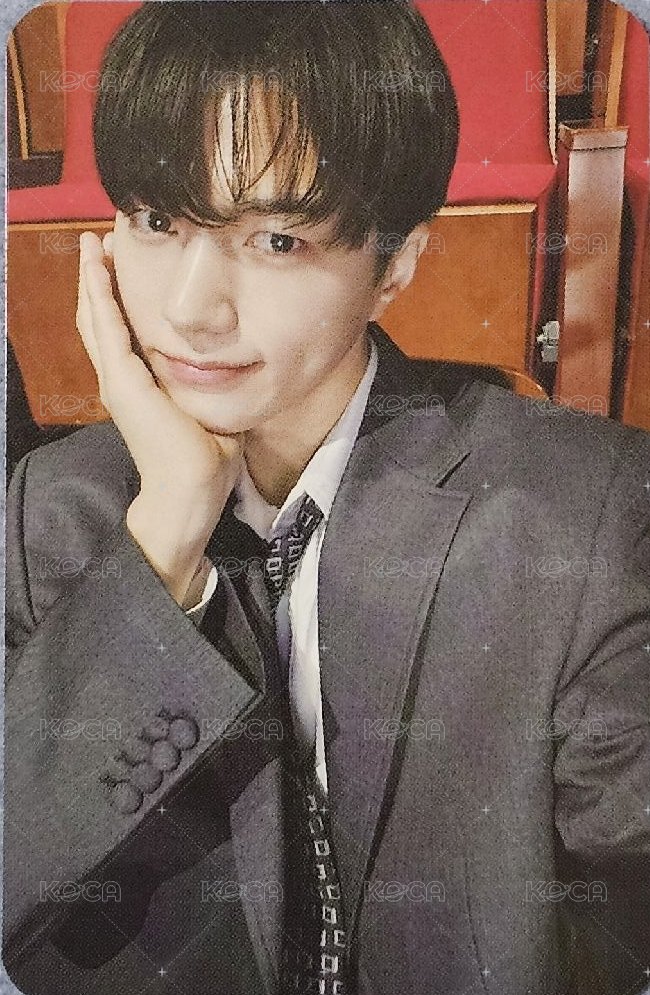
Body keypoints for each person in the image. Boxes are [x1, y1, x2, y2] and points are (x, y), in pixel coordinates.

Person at [3, 3, 649, 994]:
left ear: (397, 263)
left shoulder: (583, 518)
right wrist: (161, 540)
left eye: (275, 240)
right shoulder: (48, 512)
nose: (189, 309)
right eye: (159, 221)